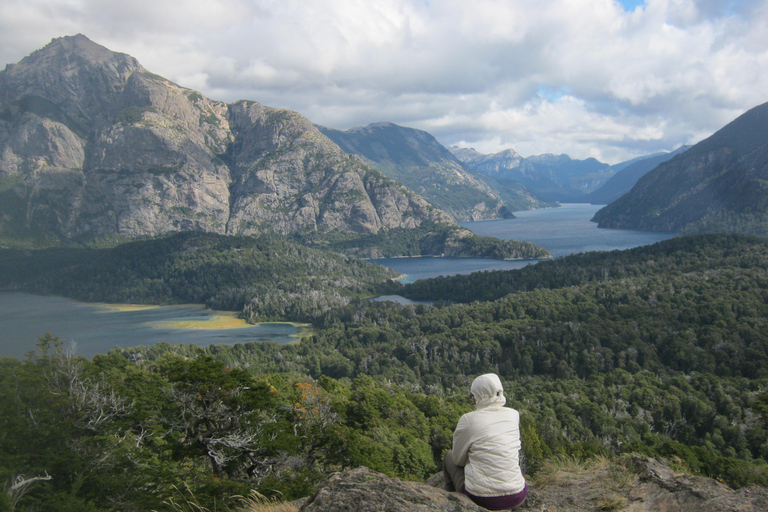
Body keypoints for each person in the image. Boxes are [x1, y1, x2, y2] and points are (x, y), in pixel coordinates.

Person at [443, 373, 528, 510]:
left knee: (449, 456)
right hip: (517, 495)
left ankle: (450, 502)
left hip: (481, 499)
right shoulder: (513, 414)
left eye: (473, 396)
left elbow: (457, 459)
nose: (473, 400)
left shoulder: (468, 420)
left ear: (478, 396)